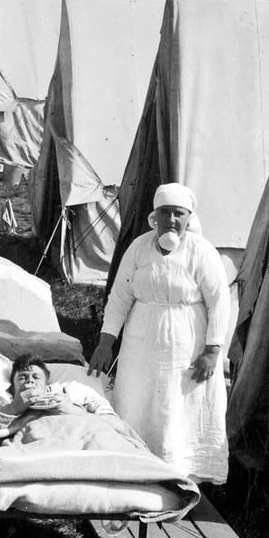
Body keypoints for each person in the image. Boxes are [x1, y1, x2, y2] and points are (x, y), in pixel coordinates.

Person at [89, 182, 231, 483]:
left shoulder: (202, 251)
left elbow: (220, 302)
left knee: (176, 406)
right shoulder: (139, 248)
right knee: (137, 400)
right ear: (155, 216)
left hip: (187, 346)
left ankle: (178, 474)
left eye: (178, 213)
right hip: (141, 343)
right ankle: (133, 466)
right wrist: (105, 342)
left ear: (189, 217)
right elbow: (120, 296)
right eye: (165, 212)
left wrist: (212, 351)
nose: (171, 219)